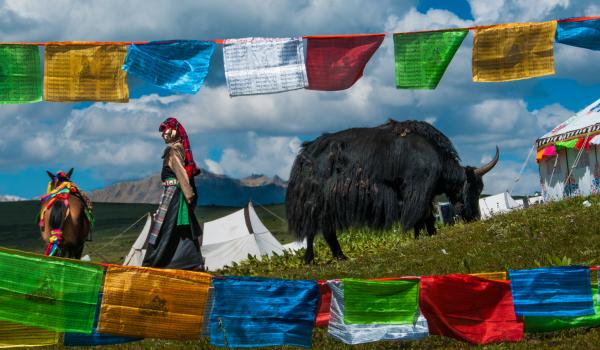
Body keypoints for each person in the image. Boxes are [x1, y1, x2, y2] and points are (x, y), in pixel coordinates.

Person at [143, 117, 204, 270]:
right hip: (175, 194)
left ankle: (153, 263)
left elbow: (182, 175)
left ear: (174, 131)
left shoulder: (173, 151)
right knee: (178, 228)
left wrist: (189, 196)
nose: (163, 134)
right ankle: (189, 263)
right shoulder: (177, 149)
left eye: (165, 130)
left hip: (174, 195)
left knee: (164, 227)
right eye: (162, 132)